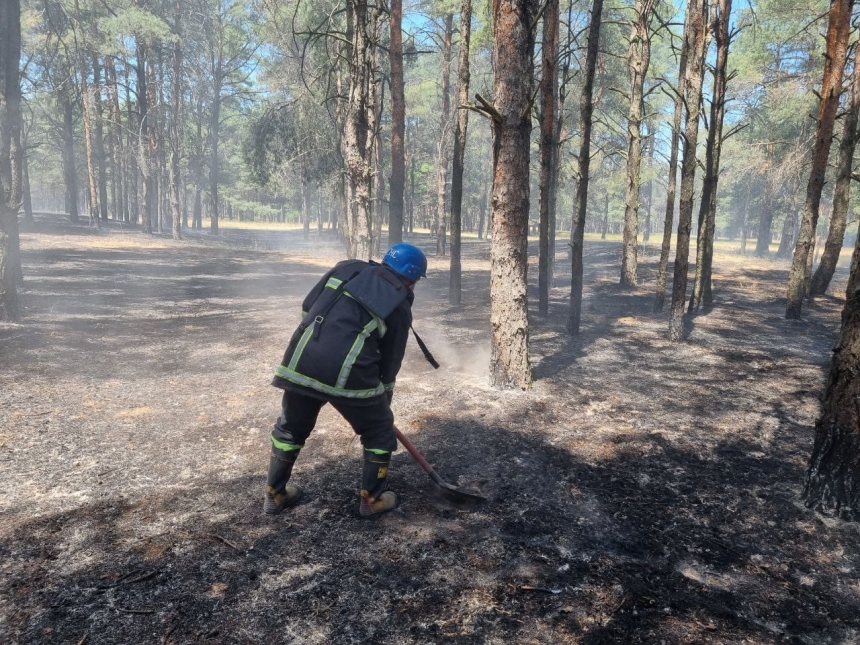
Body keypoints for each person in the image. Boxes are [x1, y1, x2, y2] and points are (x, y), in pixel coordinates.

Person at [264, 243, 428, 518]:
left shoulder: (347, 268)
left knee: (291, 427)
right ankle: (372, 500)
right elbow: (390, 362)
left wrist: (319, 340)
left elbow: (309, 306)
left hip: (301, 359)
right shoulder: (399, 303)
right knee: (378, 433)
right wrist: (383, 403)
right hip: (350, 372)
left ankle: (275, 493)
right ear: (411, 277)